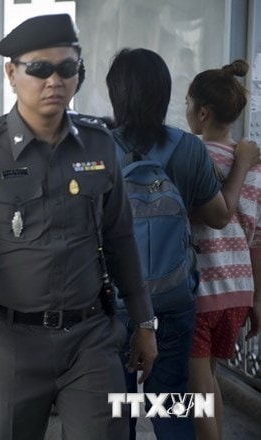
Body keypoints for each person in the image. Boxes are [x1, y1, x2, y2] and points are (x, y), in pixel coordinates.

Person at [0, 14, 158, 440]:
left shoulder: (99, 143)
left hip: (91, 339)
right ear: (11, 72)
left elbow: (120, 238)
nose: (53, 80)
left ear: (79, 72)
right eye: (39, 69)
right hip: (12, 342)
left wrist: (144, 322)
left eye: (66, 68)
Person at [106, 48, 260, 440]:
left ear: (115, 94)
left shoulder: (100, 149)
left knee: (119, 401)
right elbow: (219, 216)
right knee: (174, 401)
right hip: (174, 298)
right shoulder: (188, 148)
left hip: (119, 299)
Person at [184, 59, 261, 440]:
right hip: (238, 294)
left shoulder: (193, 158)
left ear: (201, 112)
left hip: (203, 293)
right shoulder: (255, 167)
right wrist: (257, 300)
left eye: (187, 105)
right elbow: (258, 240)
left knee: (195, 394)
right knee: (208, 380)